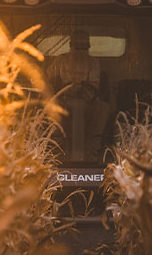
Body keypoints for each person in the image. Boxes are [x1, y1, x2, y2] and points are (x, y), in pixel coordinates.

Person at [47, 29, 109, 162]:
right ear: (71, 45)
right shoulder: (60, 61)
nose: (80, 50)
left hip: (86, 100)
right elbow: (49, 81)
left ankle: (90, 150)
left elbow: (95, 86)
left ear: (88, 47)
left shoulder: (93, 63)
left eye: (83, 47)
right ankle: (60, 150)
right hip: (62, 99)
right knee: (62, 106)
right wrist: (63, 90)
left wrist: (83, 90)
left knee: (102, 108)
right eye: (77, 46)